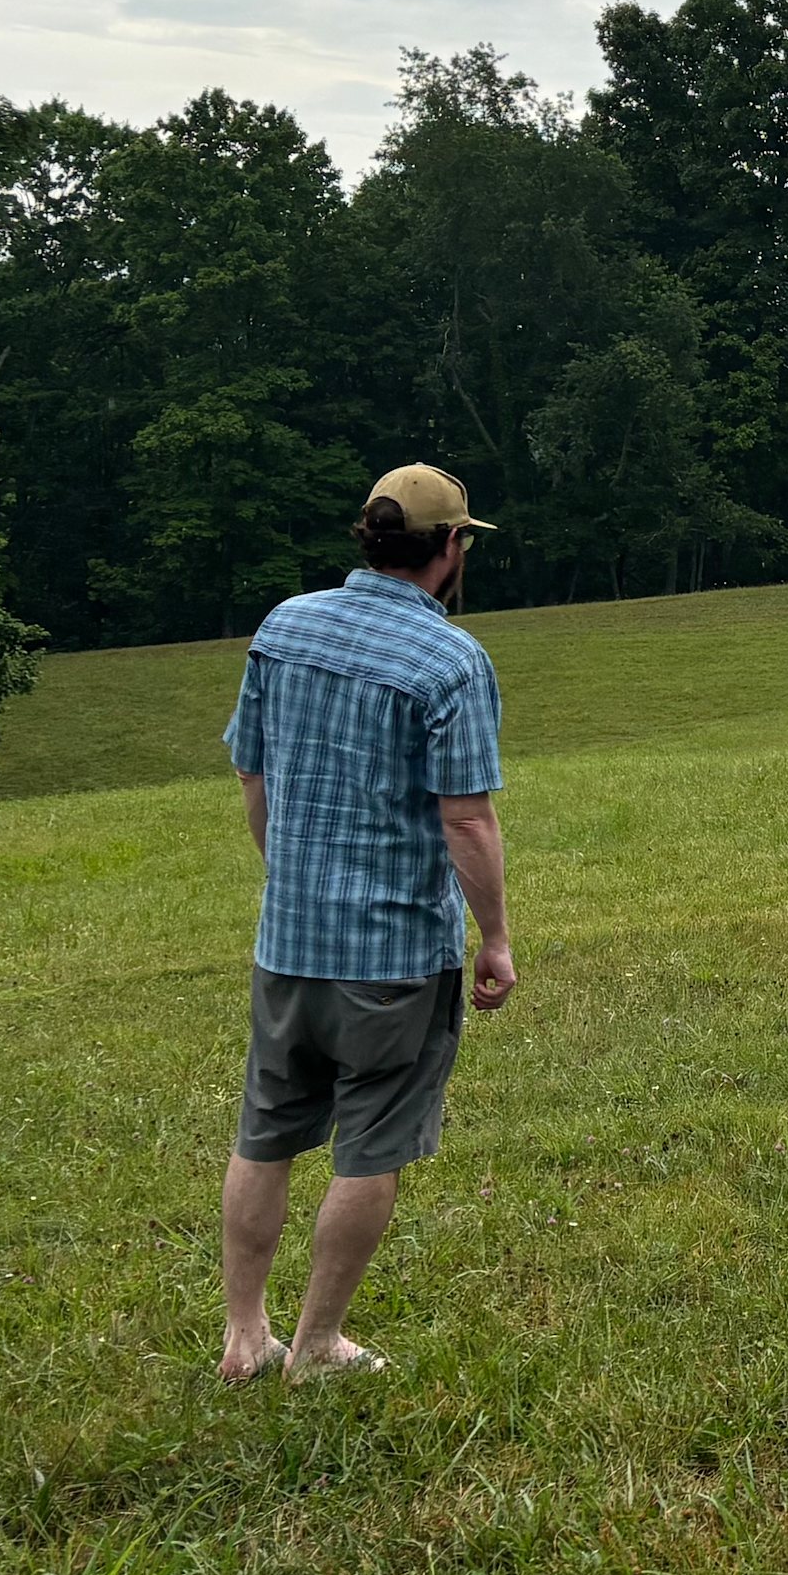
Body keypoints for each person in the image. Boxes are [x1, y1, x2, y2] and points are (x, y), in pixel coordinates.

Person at [216, 464, 518, 1383]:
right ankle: (315, 1346)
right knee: (371, 1146)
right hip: (391, 954)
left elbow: (253, 779)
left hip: (288, 944)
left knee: (265, 1133)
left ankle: (242, 1338)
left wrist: (292, 883)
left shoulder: (284, 627)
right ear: (450, 547)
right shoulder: (449, 661)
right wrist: (495, 938)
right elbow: (465, 819)